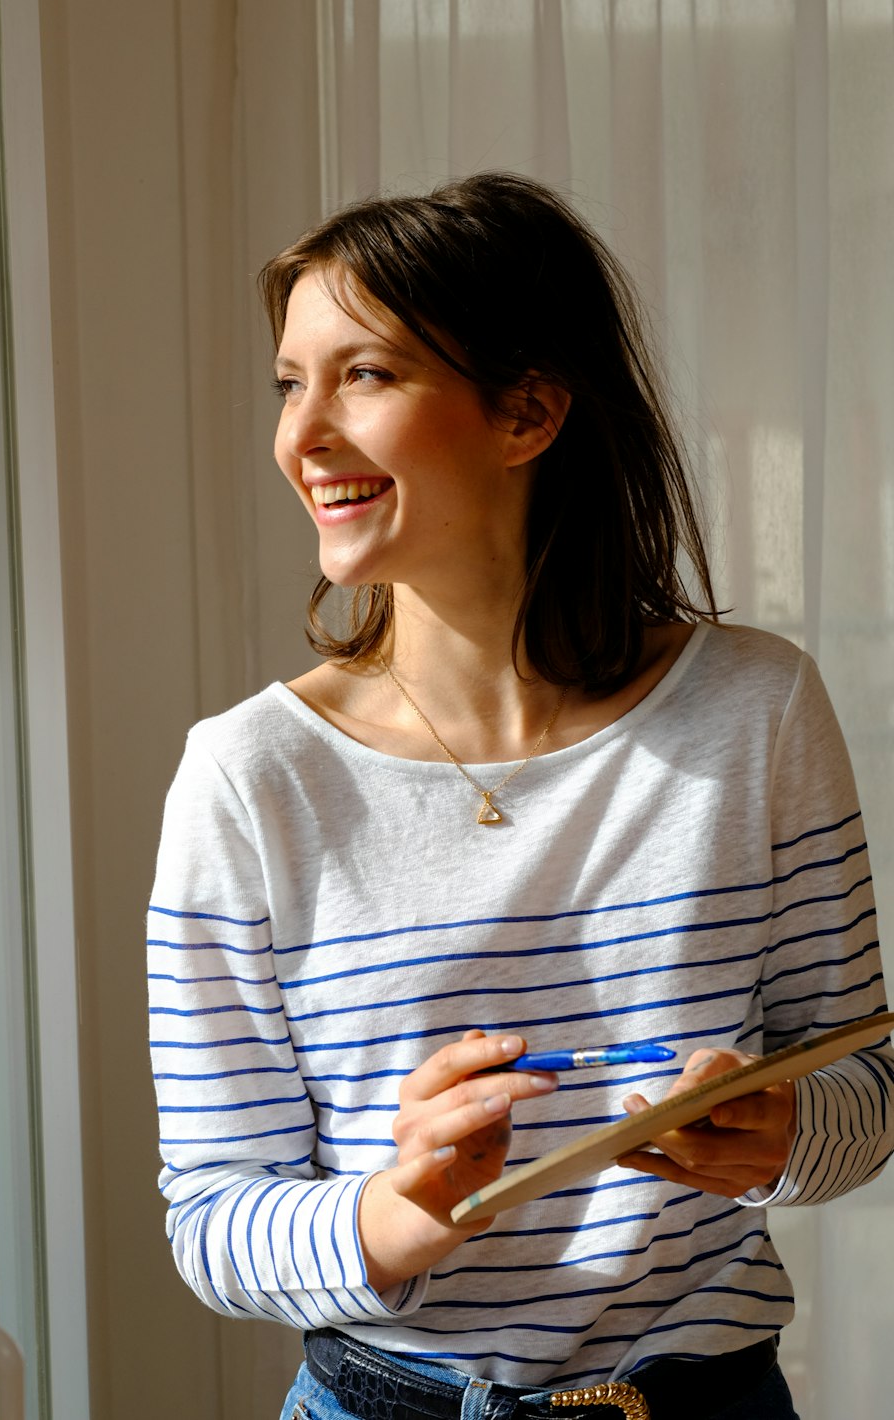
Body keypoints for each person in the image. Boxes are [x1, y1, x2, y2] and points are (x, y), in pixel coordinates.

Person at [147, 172, 892, 1420]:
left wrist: (778, 1134)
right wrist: (395, 1212)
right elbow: (214, 1218)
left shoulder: (757, 712)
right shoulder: (247, 778)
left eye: (365, 375)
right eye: (291, 382)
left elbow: (865, 1093)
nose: (303, 434)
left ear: (528, 412)